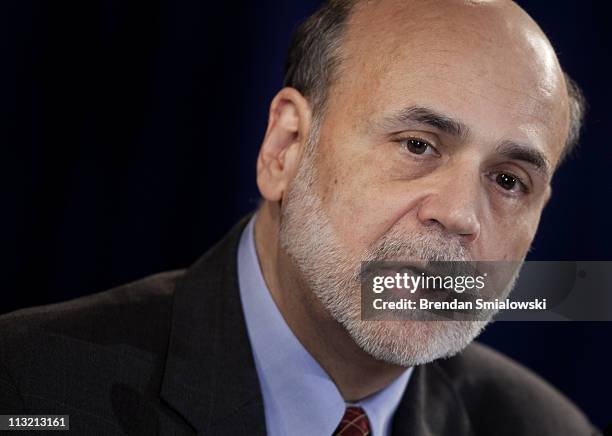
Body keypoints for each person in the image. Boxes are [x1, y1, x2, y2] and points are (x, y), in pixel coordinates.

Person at [0, 0, 601, 434]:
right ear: (286, 147)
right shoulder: (29, 386)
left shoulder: (547, 426)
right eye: (417, 145)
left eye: (507, 181)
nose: (459, 215)